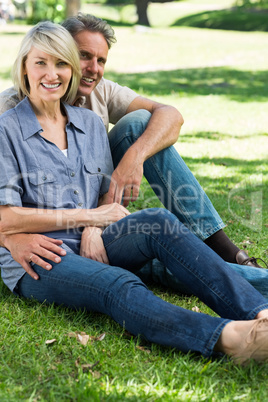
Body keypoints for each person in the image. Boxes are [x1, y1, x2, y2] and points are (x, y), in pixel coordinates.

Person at [1, 21, 268, 365]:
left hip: (93, 239)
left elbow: (99, 192)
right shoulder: (6, 126)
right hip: (40, 254)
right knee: (118, 283)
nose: (52, 74)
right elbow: (7, 217)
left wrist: (95, 226)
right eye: (41, 62)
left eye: (62, 63)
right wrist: (89, 218)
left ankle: (260, 312)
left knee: (158, 221)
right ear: (23, 67)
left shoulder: (90, 123)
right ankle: (232, 339)